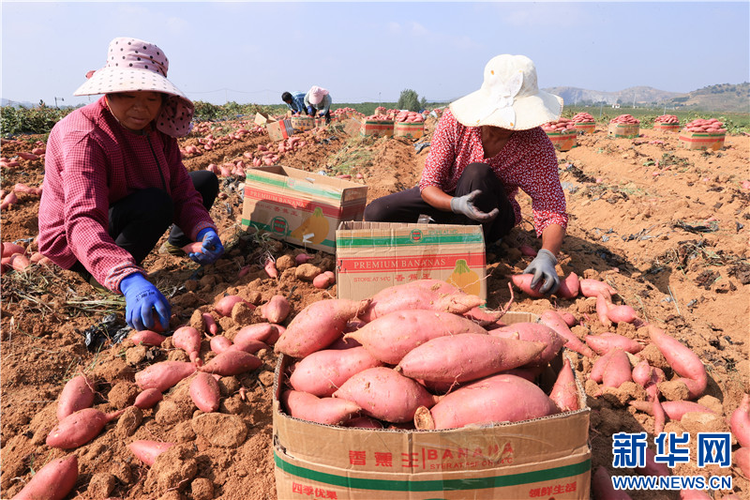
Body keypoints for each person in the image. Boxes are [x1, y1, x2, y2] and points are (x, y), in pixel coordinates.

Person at [38, 37, 225, 332]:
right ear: (109, 92)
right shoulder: (83, 135)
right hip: (74, 239)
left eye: (151, 98)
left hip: (123, 204)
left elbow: (180, 188)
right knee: (156, 204)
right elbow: (82, 218)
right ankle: (102, 274)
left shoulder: (157, 129)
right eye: (128, 96)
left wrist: (203, 228)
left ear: (163, 100)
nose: (141, 109)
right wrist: (129, 278)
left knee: (203, 181)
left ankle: (177, 244)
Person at [363, 54, 568, 295]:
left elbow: (551, 206)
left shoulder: (536, 145)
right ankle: (451, 230)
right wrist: (455, 204)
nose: (504, 125)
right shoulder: (456, 122)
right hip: (447, 199)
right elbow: (429, 184)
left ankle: (464, 249)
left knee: (477, 173)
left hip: (492, 214)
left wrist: (547, 255)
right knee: (376, 212)